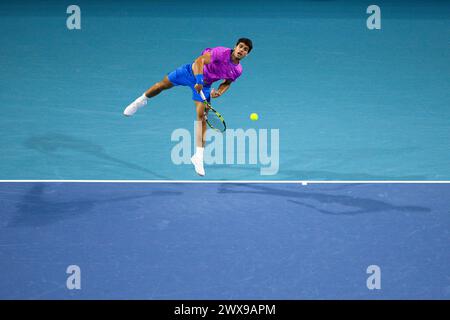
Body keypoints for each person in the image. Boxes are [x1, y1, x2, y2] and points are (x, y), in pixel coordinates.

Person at [123, 38, 253, 176]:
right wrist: (199, 80)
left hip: (205, 86)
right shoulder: (221, 53)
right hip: (189, 73)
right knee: (161, 86)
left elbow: (228, 82)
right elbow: (199, 61)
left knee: (202, 117)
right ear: (235, 46)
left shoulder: (238, 70)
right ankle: (140, 101)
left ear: (247, 54)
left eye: (245, 50)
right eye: (240, 46)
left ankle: (198, 156)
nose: (241, 50)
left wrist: (220, 91)